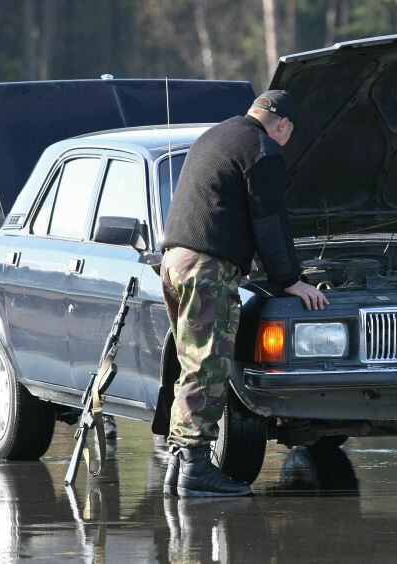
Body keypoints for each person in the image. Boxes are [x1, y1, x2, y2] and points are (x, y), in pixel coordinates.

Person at [160, 90, 328, 497]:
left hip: (174, 262)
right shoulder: (262, 148)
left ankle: (179, 467)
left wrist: (242, 253)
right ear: (284, 125)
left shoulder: (216, 135)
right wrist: (290, 280)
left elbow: (220, 206)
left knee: (191, 363)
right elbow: (269, 220)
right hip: (206, 269)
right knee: (209, 365)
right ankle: (196, 470)